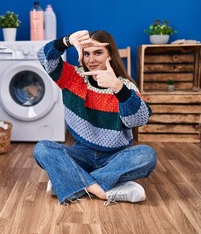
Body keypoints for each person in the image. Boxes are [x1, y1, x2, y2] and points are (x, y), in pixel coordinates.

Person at [33, 30, 157, 205]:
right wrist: (67, 41)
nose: (91, 59)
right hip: (81, 152)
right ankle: (101, 190)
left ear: (110, 55)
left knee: (147, 155)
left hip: (115, 156)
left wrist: (118, 88)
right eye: (86, 53)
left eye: (98, 53)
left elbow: (139, 120)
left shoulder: (124, 86)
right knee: (42, 149)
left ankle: (71, 183)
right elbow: (43, 56)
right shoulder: (72, 78)